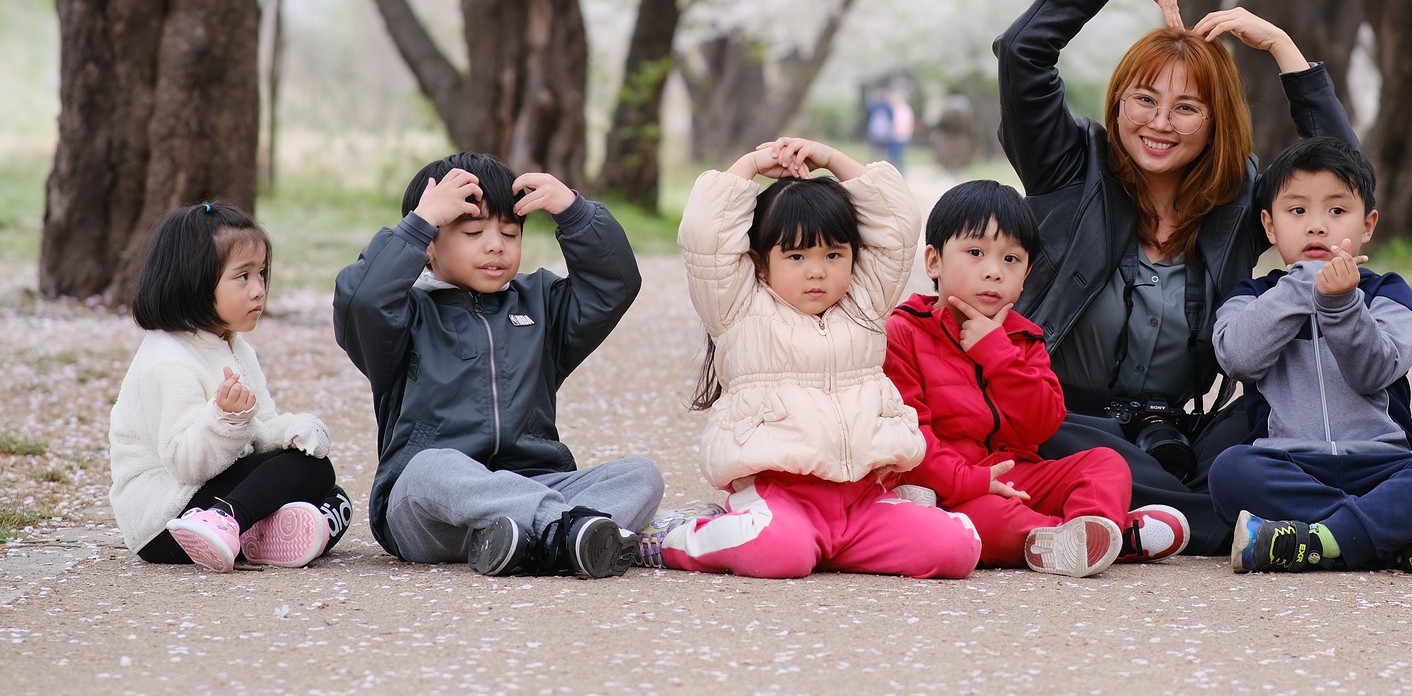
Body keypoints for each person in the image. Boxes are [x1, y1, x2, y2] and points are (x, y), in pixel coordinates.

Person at [996, 0, 1357, 555]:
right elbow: (1021, 55)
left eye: (1186, 108)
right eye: (1145, 99)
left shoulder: (1239, 201)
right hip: (1065, 422)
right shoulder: (1069, 167)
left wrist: (1283, 48)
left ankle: (1158, 514)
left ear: (1215, 122)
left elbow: (1341, 184)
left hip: (1177, 432)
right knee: (1034, 429)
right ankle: (1223, 519)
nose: (1159, 123)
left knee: (1268, 416)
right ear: (1119, 102)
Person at [645, 138, 981, 579]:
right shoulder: (738, 308)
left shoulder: (864, 303)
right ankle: (676, 535)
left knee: (957, 548)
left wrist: (830, 158)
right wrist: (751, 163)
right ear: (760, 263)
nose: (817, 270)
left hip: (864, 499)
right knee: (781, 553)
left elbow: (897, 224)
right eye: (796, 255)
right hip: (780, 496)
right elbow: (707, 237)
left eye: (833, 254)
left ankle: (832, 542)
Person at [334, 152, 663, 578]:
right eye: (473, 232)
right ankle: (566, 532)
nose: (496, 245)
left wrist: (575, 213)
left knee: (641, 475)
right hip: (433, 513)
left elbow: (613, 285)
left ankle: (535, 542)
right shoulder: (403, 316)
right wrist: (419, 223)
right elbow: (361, 301)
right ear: (429, 244)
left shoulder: (542, 305)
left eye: (510, 233)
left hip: (534, 482)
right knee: (431, 468)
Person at [1210, 138, 1412, 575]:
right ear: (1269, 225)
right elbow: (1238, 359)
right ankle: (1400, 541)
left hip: (1385, 466)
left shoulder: (1387, 293)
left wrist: (1342, 305)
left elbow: (1374, 372)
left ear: (1368, 224)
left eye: (1337, 211)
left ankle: (1318, 541)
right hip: (1291, 465)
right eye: (1297, 210)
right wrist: (1305, 284)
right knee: (1230, 471)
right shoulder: (1252, 297)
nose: (1316, 227)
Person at [884, 179, 1189, 577]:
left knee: (1106, 464)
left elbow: (1043, 423)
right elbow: (912, 440)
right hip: (950, 489)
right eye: (975, 253)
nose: (994, 272)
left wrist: (998, 355)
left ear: (1027, 273)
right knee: (984, 520)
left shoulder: (1023, 337)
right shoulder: (904, 333)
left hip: (1018, 474)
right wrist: (973, 481)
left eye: (1011, 259)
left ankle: (1090, 532)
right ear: (934, 261)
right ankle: (1102, 537)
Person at [110, 201, 351, 572]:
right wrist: (224, 420)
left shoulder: (234, 345)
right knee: (312, 473)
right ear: (194, 280)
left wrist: (293, 430)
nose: (259, 290)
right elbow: (187, 465)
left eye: (261, 273)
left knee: (335, 499)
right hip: (166, 521)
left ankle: (247, 533)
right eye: (243, 276)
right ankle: (228, 521)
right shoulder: (167, 361)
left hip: (208, 495)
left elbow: (262, 426)